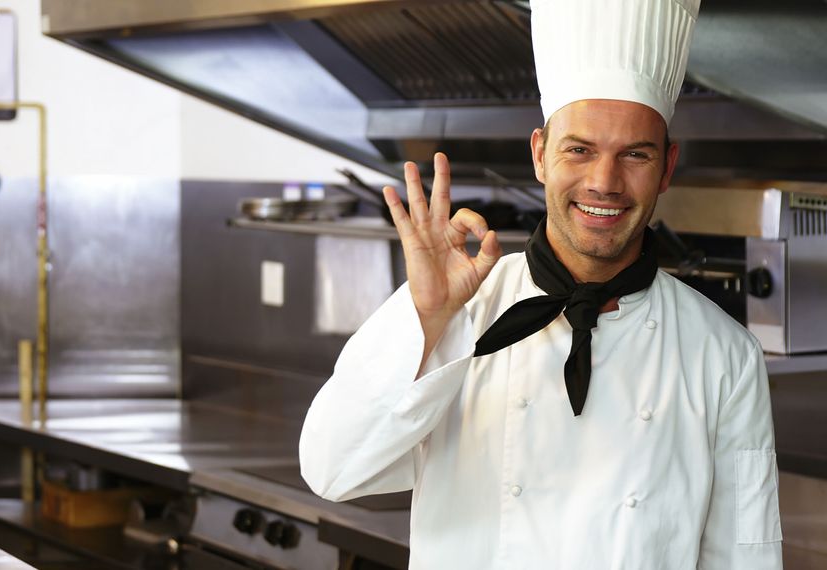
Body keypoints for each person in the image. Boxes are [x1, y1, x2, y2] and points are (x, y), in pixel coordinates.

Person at [300, 0, 782, 568]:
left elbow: (744, 556)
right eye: (579, 149)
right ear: (539, 155)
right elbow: (332, 471)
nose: (605, 182)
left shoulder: (724, 355)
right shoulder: (461, 312)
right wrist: (425, 318)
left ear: (667, 168)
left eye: (635, 155)